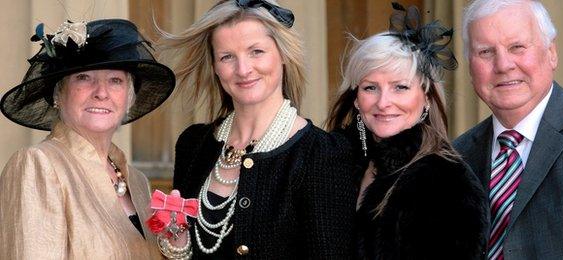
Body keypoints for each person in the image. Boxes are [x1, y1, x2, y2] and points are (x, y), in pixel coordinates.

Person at [156, 0, 356, 258]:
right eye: (227, 57)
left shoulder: (322, 154)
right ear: (215, 67)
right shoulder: (193, 144)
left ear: (283, 54)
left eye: (256, 52)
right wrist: (176, 246)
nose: (243, 69)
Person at [453, 0, 563, 259]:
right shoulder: (457, 158)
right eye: (486, 52)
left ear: (551, 52)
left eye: (517, 47)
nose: (503, 64)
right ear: (470, 65)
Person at [0, 19, 176, 259]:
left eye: (115, 80)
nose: (101, 93)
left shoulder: (137, 182)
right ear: (58, 94)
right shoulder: (37, 165)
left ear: (129, 99)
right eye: (84, 78)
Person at [326, 3, 487, 259]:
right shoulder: (335, 163)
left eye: (400, 87)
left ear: (426, 98)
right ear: (356, 98)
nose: (383, 102)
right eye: (370, 88)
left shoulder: (445, 182)